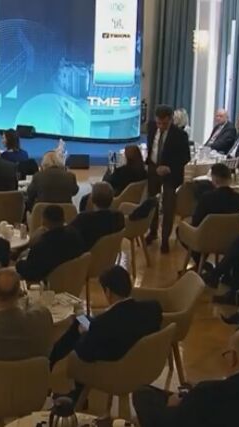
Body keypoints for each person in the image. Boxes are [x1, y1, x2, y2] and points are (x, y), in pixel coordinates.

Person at [132, 328, 239, 427]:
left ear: (233, 357)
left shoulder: (209, 393)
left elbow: (170, 423)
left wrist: (172, 406)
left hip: (186, 413)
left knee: (144, 393)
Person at [50, 266, 162, 404]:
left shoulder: (103, 323)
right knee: (82, 320)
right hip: (139, 359)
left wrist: (84, 333)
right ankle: (60, 371)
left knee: (78, 330)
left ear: (108, 292)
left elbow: (84, 353)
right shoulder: (153, 308)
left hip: (112, 364)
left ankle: (51, 363)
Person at [145, 105, 191, 253]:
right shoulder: (151, 127)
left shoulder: (180, 135)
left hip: (171, 174)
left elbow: (186, 157)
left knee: (168, 207)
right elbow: (151, 148)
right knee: (152, 203)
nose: (161, 126)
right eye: (159, 123)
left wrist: (169, 168)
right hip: (153, 170)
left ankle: (165, 239)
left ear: (171, 120)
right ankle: (152, 232)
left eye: (164, 123)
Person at [15, 205, 86, 282]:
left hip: (48, 282)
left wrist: (18, 262)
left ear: (44, 221)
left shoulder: (42, 246)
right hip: (74, 279)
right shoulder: (75, 235)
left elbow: (30, 272)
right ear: (63, 219)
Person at [69, 182, 125, 250]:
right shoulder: (119, 216)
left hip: (87, 254)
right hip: (110, 253)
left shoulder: (83, 218)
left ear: (92, 199)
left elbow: (69, 234)